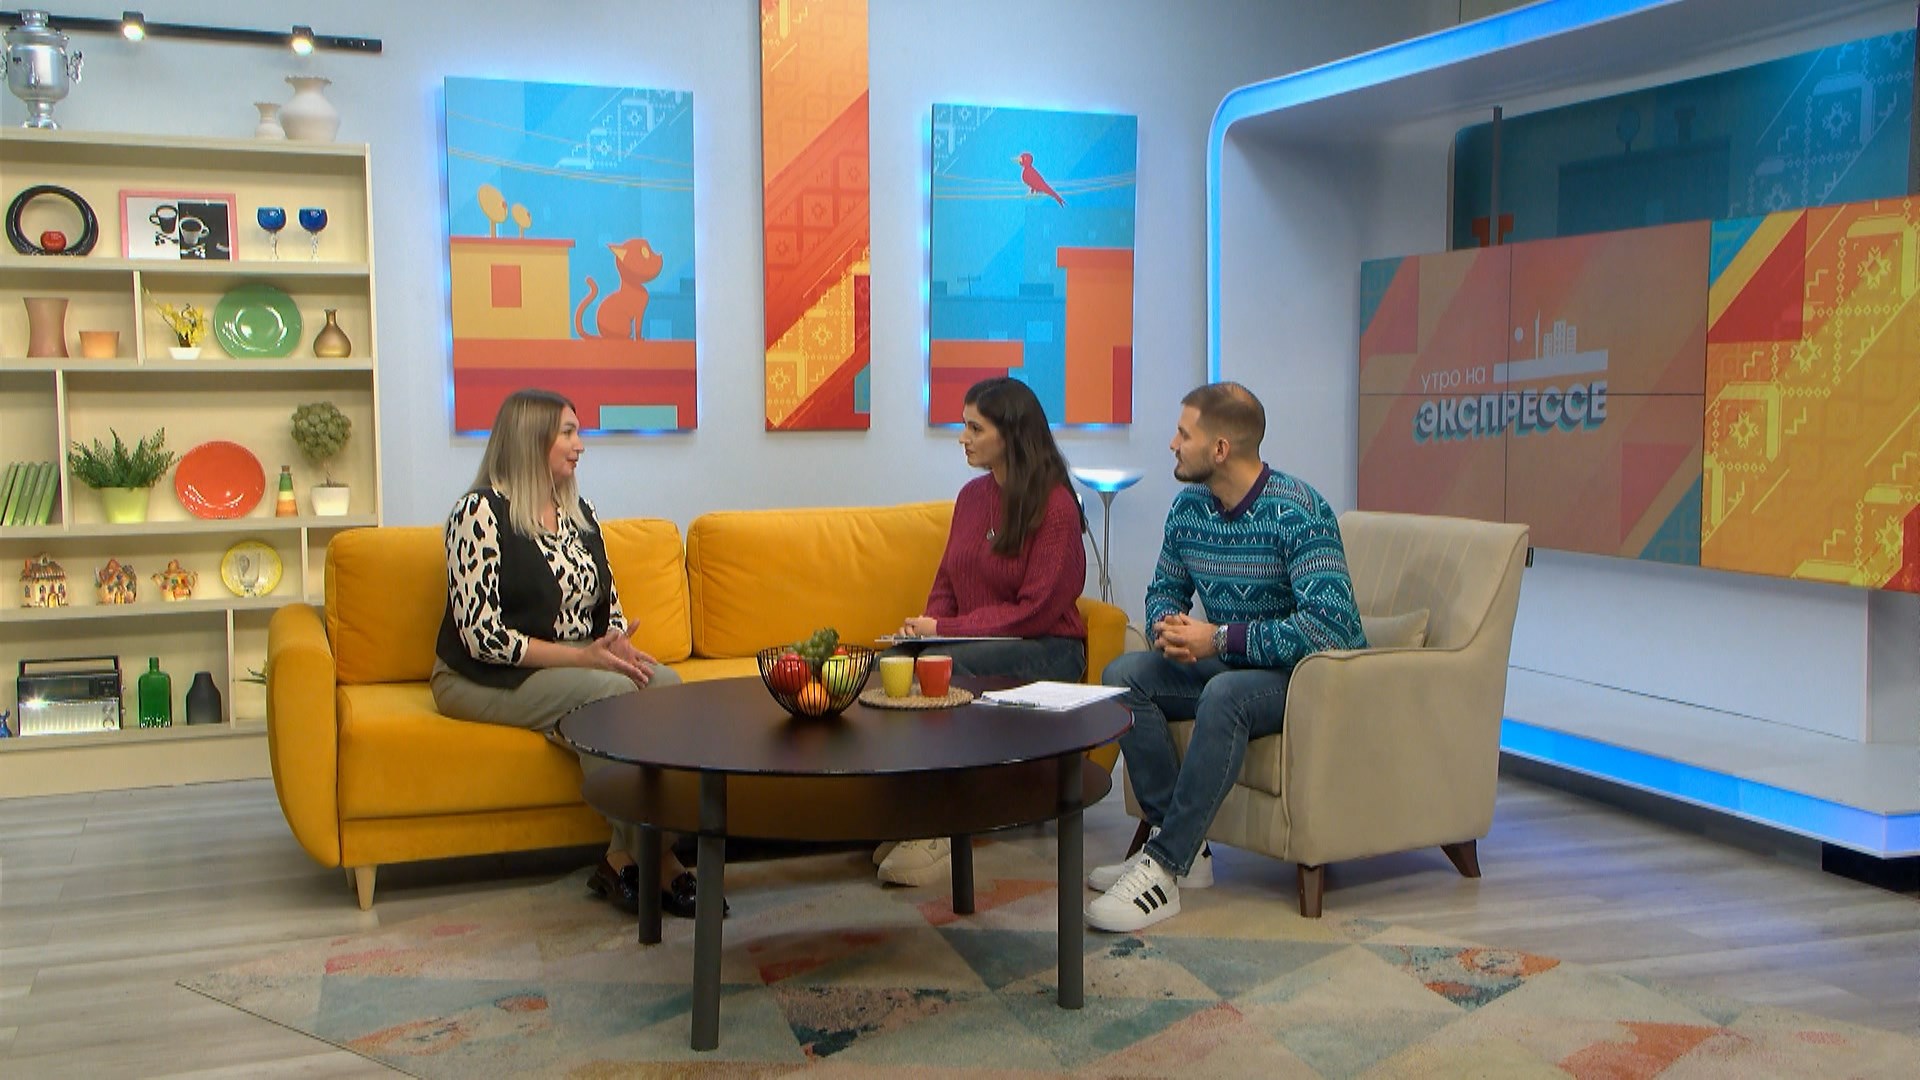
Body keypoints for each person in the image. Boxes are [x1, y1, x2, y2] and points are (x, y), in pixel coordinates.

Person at [1085, 382, 1367, 932]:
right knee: (1124, 675)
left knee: (1225, 693)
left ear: (1220, 449)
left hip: (1301, 678)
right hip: (1231, 660)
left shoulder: (1299, 510)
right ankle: (1182, 850)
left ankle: (1163, 869)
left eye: (1183, 434)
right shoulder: (1189, 507)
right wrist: (1170, 627)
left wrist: (1219, 640)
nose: (1172, 444)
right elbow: (1165, 589)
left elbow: (1330, 629)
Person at [431, 388, 707, 919]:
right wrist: (583, 660)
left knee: (666, 687)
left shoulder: (579, 513)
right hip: (484, 675)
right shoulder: (480, 512)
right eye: (568, 433)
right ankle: (663, 860)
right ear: (531, 439)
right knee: (606, 696)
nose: (581, 445)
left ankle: (621, 856)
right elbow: (482, 636)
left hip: (578, 663)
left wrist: (617, 642)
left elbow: (608, 605)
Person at [876, 376, 1090, 886]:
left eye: (975, 428)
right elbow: (947, 581)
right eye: (964, 426)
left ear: (1010, 434)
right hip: (976, 641)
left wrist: (945, 631)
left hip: (1048, 647)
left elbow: (1035, 611)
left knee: (950, 670)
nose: (963, 438)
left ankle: (939, 830)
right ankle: (905, 818)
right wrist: (924, 633)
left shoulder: (1056, 506)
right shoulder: (972, 497)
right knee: (892, 667)